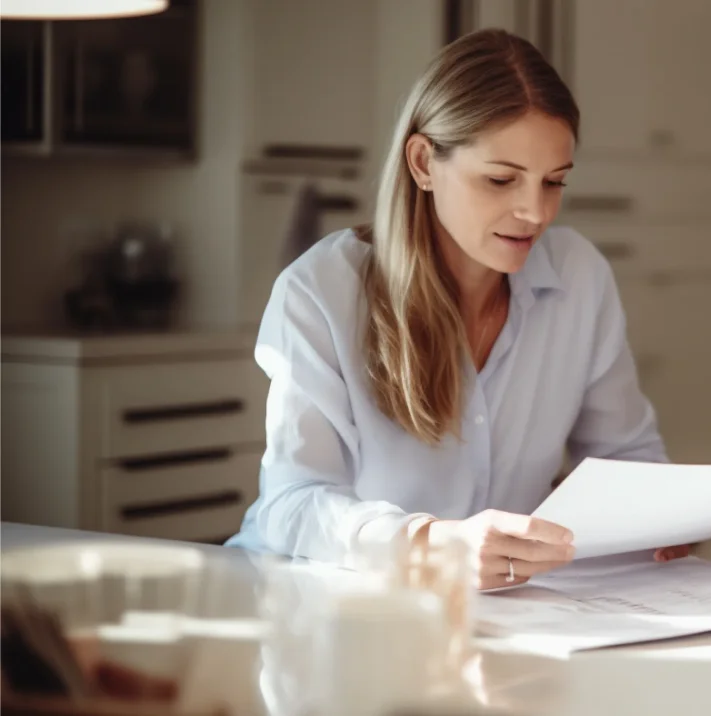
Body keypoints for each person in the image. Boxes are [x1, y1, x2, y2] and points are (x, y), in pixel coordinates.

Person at [227, 29, 687, 589]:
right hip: (305, 602)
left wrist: (678, 515)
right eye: (501, 179)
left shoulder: (579, 277)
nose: (535, 212)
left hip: (484, 616)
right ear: (423, 163)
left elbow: (625, 458)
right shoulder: (321, 291)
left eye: (555, 183)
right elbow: (292, 503)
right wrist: (430, 545)